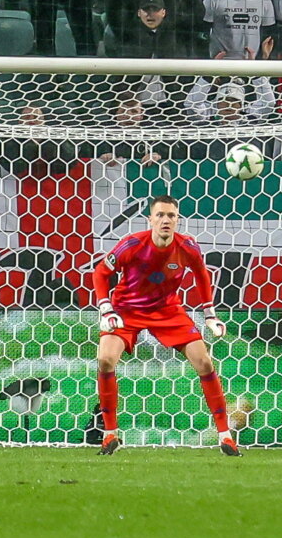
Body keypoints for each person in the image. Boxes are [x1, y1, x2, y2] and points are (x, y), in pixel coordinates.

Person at [90, 195, 239, 456]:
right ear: (150, 219)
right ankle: (110, 434)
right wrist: (105, 307)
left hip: (167, 310)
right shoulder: (132, 244)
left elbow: (202, 275)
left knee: (204, 363)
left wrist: (210, 315)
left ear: (178, 219)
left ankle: (225, 436)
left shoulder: (188, 247)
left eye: (171, 215)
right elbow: (101, 272)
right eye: (160, 215)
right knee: (105, 360)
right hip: (127, 310)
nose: (166, 220)